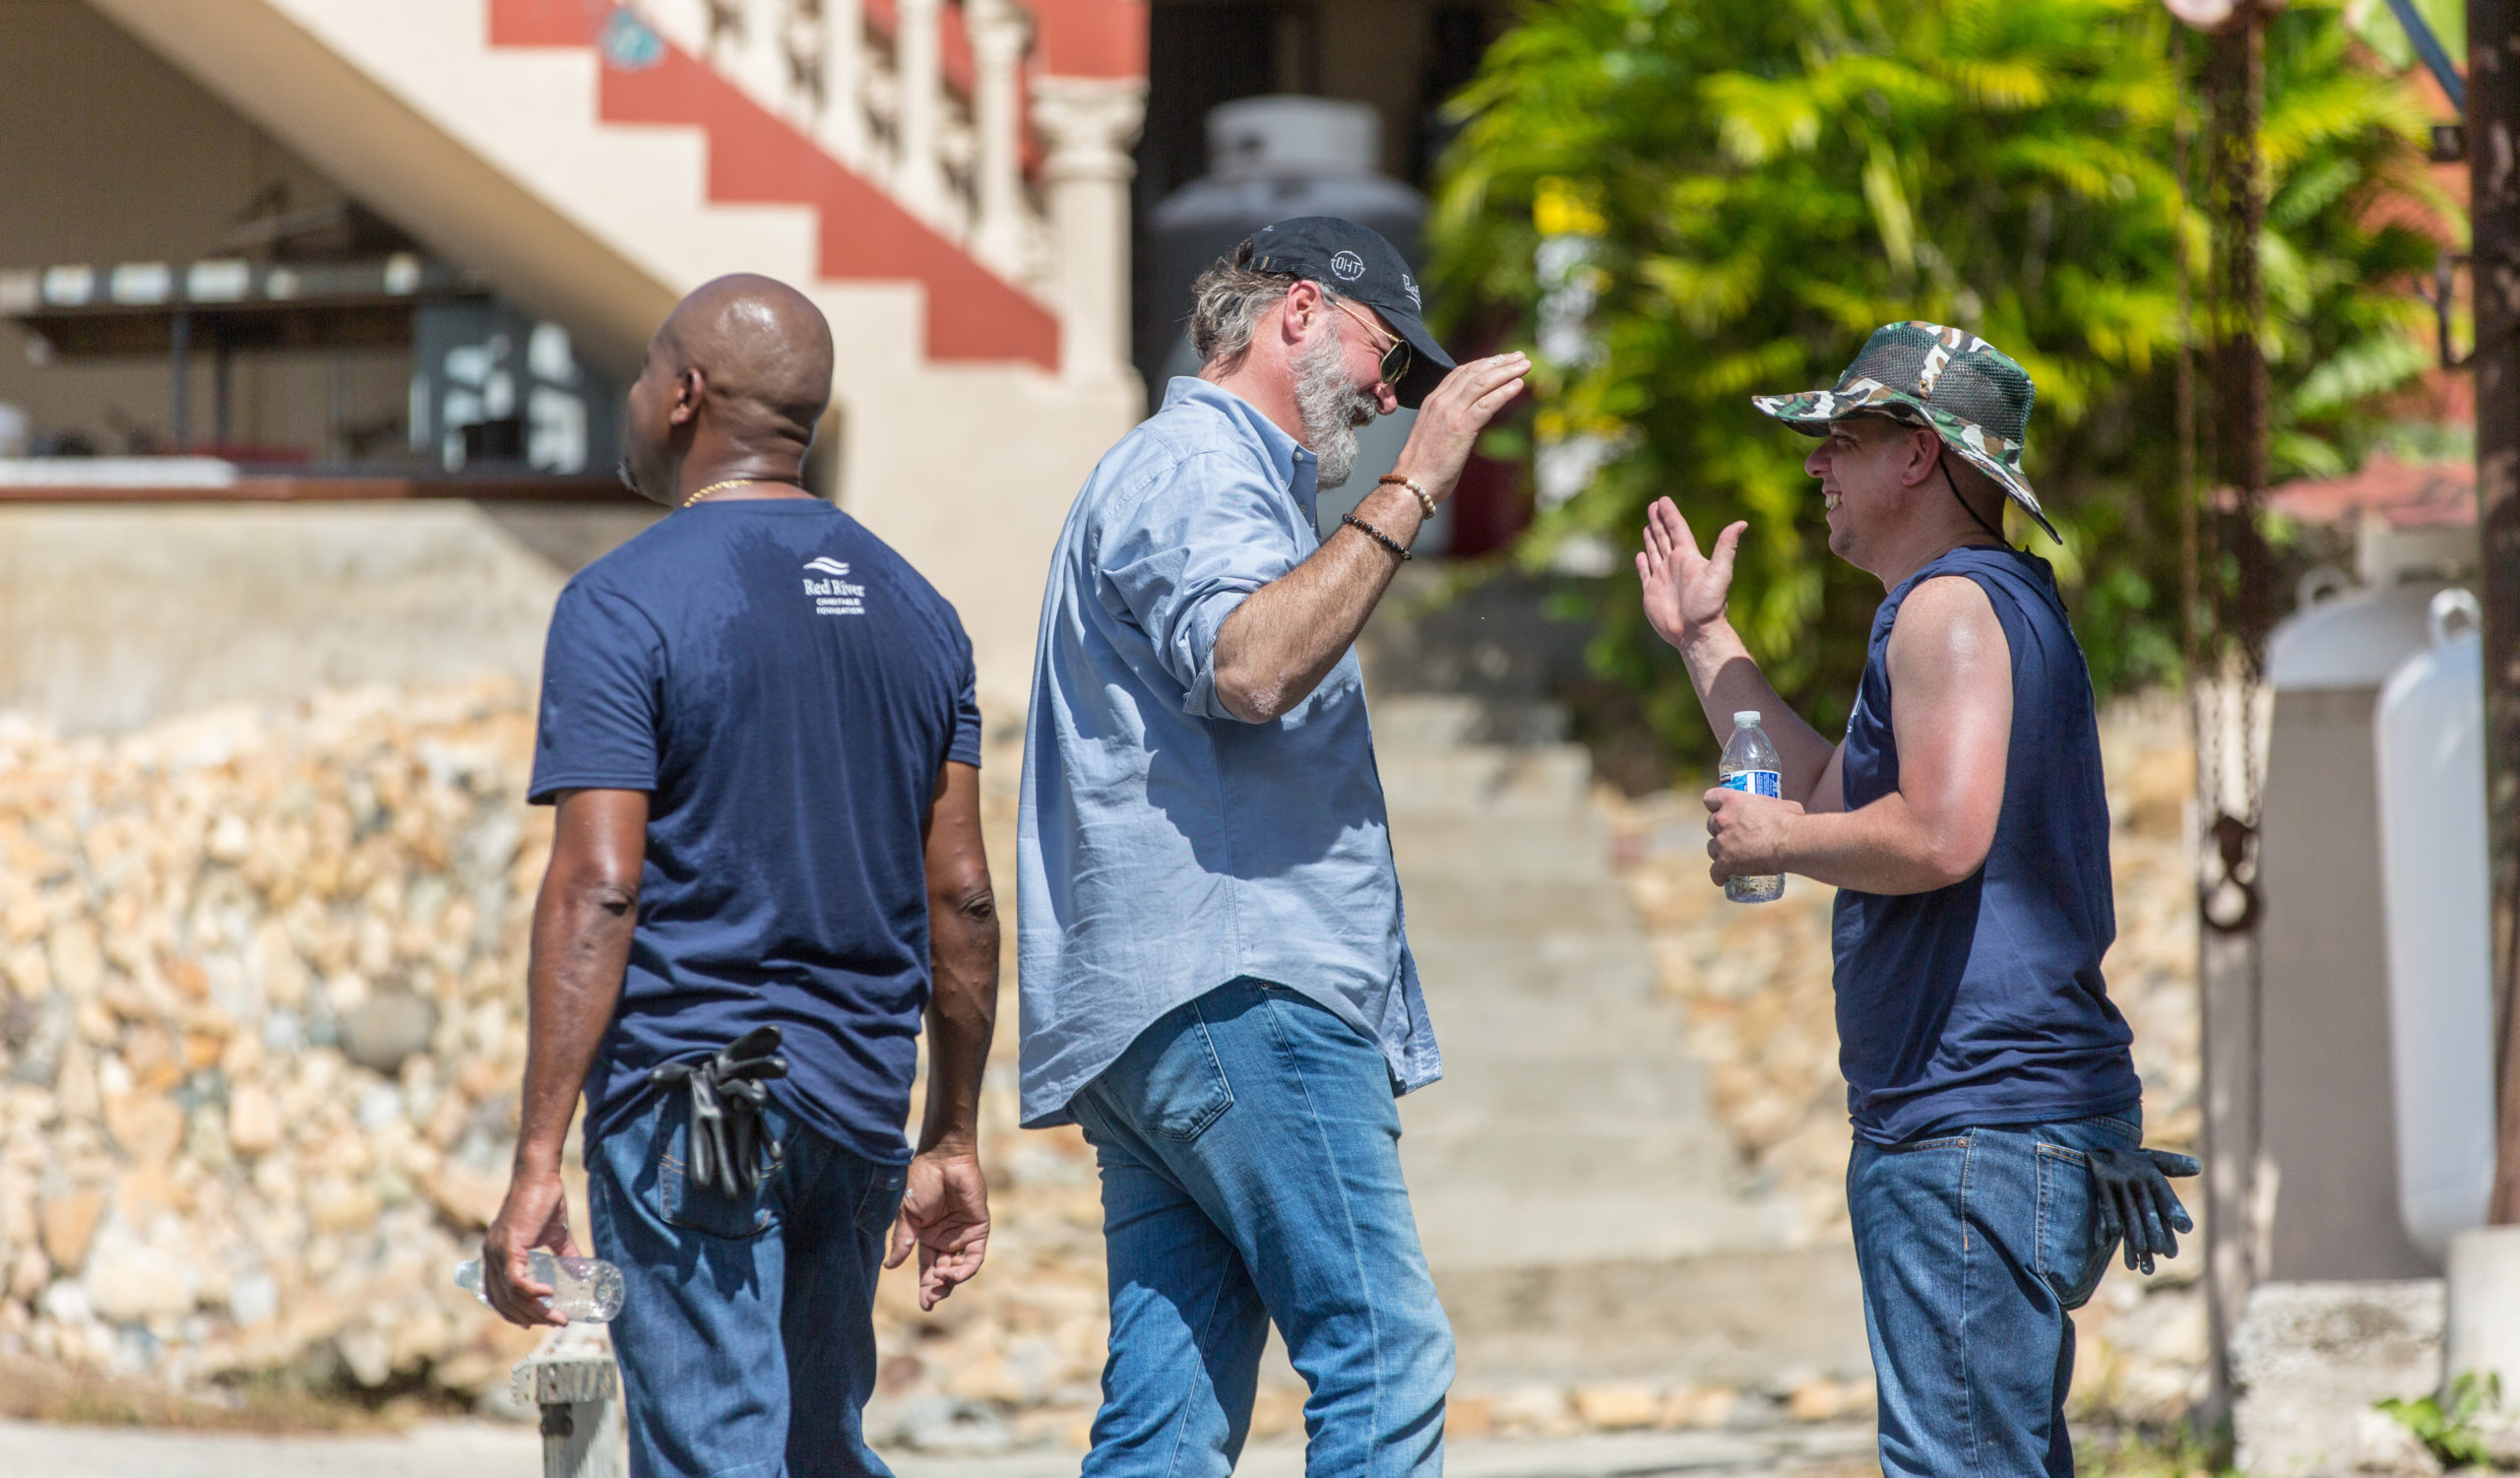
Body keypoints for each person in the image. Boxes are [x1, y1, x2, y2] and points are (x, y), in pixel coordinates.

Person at [1632, 322, 2197, 1478]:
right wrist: (1704, 637)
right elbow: (1838, 791)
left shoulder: (1947, 611)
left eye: (1841, 437)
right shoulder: (1969, 607)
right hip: (2004, 1125)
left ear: (1921, 457)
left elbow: (1939, 834)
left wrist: (1780, 839)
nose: (1815, 465)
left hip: (1972, 1129)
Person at [1018, 217, 1530, 1476]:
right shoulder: (1199, 466)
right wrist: (1415, 478)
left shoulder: (1210, 476)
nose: (1390, 388)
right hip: (1240, 985)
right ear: (1300, 312)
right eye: (1384, 352)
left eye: (1408, 380)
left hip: (1170, 1002)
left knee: (1170, 1414)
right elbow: (1250, 667)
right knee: (1382, 1349)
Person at [480, 274, 999, 1478]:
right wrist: (954, 1135)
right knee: (818, 1446)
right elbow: (962, 894)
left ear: (684, 395)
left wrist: (535, 1160)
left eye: (642, 369)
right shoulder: (921, 614)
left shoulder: (623, 603)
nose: (635, 391)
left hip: (693, 1099)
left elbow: (598, 888)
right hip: (862, 1102)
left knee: (718, 1453)